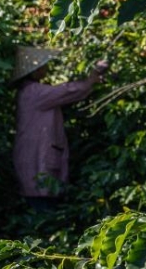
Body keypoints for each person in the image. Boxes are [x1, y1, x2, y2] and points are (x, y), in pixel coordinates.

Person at [11, 46, 106, 215]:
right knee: (43, 211)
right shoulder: (34, 92)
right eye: (42, 66)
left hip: (33, 161)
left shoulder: (30, 91)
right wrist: (90, 79)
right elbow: (67, 91)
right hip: (37, 163)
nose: (46, 68)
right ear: (33, 71)